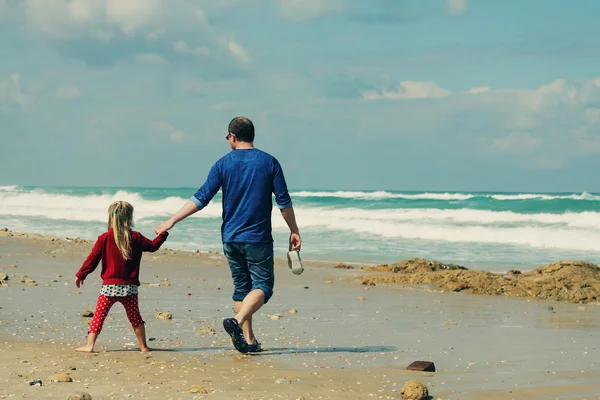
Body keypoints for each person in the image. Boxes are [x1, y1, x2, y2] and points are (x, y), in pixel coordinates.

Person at [155, 116, 301, 354]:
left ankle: (249, 341)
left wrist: (172, 220)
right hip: (257, 237)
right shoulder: (269, 162)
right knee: (264, 285)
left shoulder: (223, 164)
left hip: (230, 238)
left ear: (232, 137)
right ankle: (238, 320)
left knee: (242, 288)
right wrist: (294, 230)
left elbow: (200, 198)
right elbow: (284, 203)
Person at [74, 201, 169, 353]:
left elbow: (92, 259)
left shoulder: (104, 238)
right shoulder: (136, 237)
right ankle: (143, 347)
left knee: (98, 316)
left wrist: (81, 274)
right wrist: (162, 234)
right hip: (129, 288)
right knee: (135, 318)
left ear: (111, 218)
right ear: (130, 218)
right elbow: (152, 246)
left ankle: (90, 345)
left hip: (109, 288)